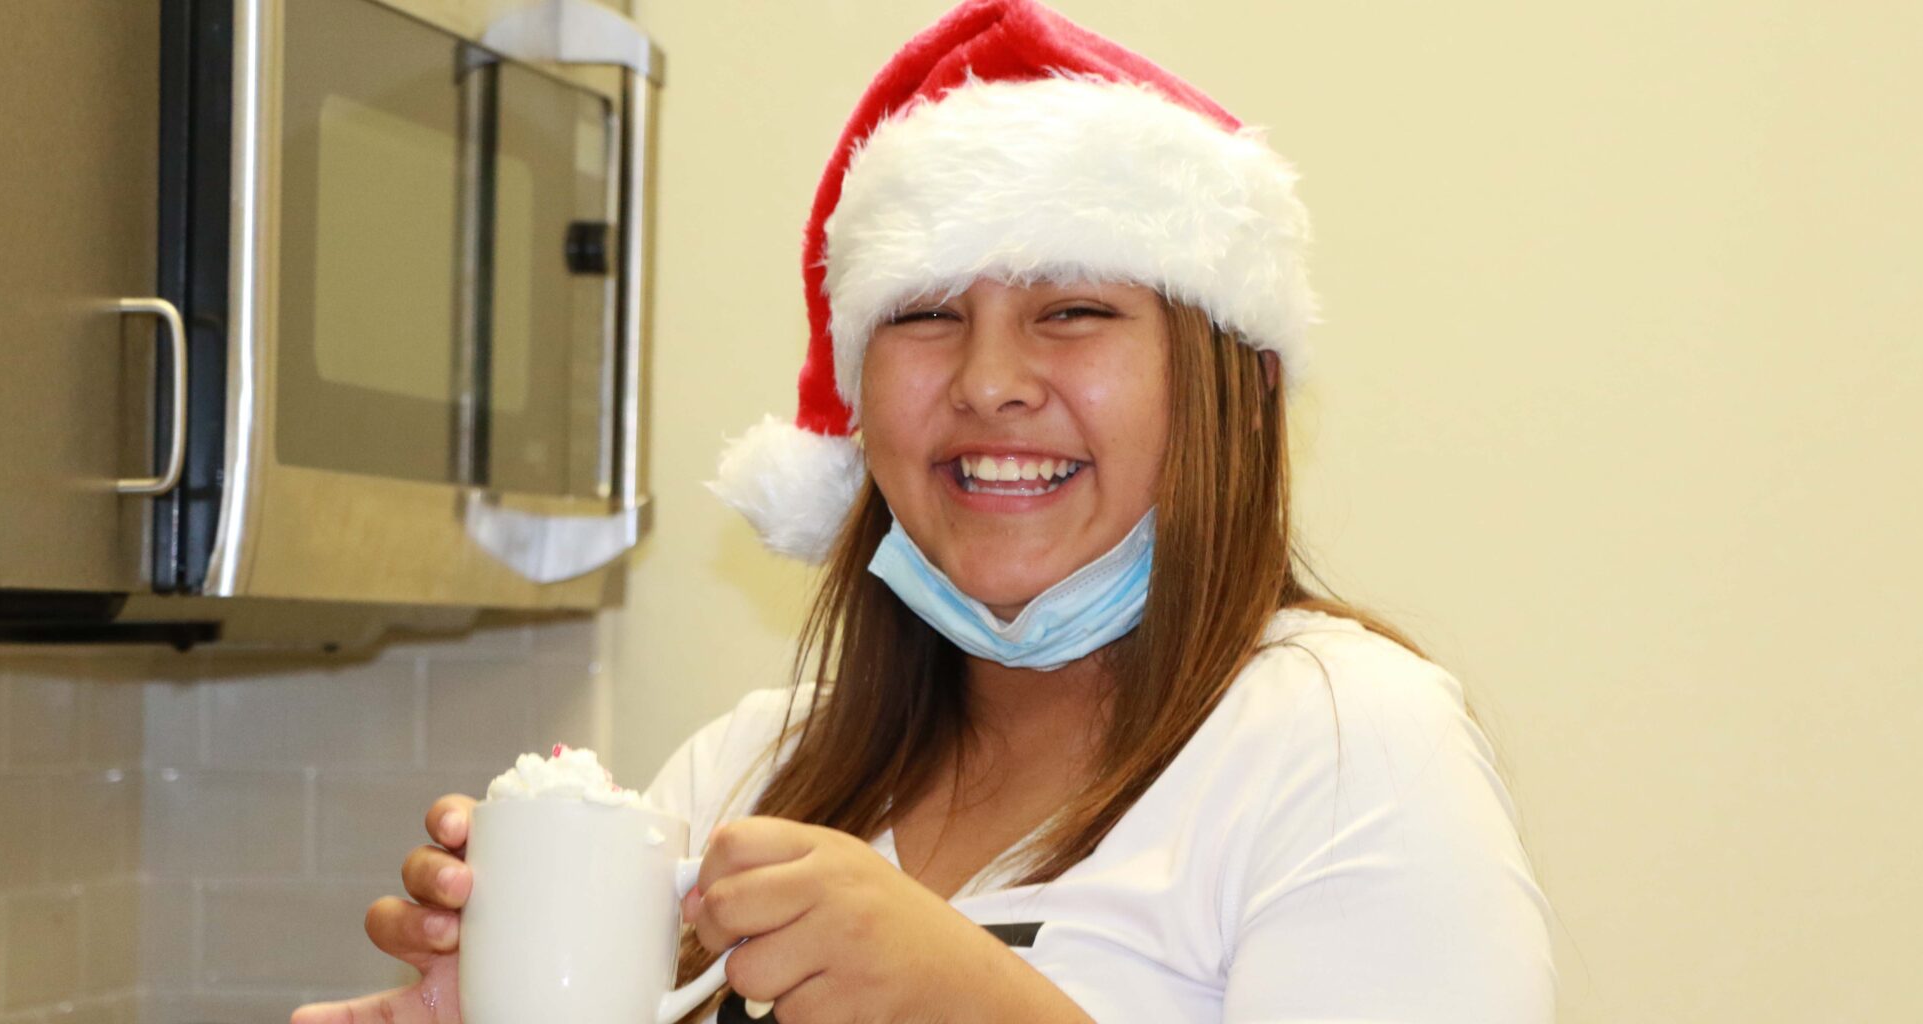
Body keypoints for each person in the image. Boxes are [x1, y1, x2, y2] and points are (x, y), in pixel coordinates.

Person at [293, 1, 1556, 1021]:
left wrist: (980, 1004)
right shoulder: (742, 773)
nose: (989, 382)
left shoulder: (1343, 743)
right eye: (924, 314)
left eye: (1073, 311)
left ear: (1229, 382)